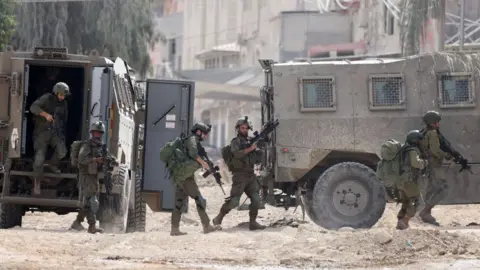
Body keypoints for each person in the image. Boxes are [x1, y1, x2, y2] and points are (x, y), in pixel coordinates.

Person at [213, 117, 266, 231]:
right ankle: (218, 218)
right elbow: (237, 154)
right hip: (240, 176)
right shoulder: (235, 142)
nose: (244, 130)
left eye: (246, 128)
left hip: (250, 175)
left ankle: (253, 222)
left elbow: (258, 158)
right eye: (242, 128)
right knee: (234, 201)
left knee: (256, 199)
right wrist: (251, 148)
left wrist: (258, 149)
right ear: (238, 129)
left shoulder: (250, 141)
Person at [170, 122, 221, 236]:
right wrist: (203, 163)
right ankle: (206, 226)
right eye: (205, 134)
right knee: (199, 199)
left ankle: (174, 229)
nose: (206, 136)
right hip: (186, 177)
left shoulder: (191, 140)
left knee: (179, 202)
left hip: (181, 175)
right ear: (199, 132)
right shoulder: (192, 139)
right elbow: (193, 153)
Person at [29, 82, 69, 194]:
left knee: (62, 151)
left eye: (64, 95)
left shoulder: (64, 104)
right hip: (41, 133)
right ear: (56, 93)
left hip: (54, 133)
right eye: (60, 95)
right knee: (39, 158)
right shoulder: (46, 98)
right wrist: (45, 114)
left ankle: (52, 164)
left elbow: (64, 120)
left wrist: (61, 134)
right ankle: (37, 182)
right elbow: (33, 107)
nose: (62, 97)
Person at [70, 121, 107, 234]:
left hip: (93, 176)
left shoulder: (100, 146)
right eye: (96, 133)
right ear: (92, 133)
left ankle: (77, 222)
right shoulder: (87, 145)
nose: (97, 135)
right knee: (90, 201)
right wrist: (95, 160)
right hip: (86, 176)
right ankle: (92, 226)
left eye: (99, 133)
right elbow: (81, 160)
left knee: (88, 201)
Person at [419, 110, 453, 226]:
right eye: (437, 122)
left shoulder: (424, 132)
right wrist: (447, 155)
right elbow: (435, 150)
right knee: (443, 189)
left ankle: (425, 214)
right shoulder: (432, 133)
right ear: (432, 123)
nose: (439, 124)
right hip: (434, 165)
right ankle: (424, 212)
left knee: (431, 189)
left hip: (428, 164)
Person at [395, 130, 428, 230]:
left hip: (401, 181)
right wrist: (424, 162)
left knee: (406, 202)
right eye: (419, 140)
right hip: (408, 181)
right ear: (415, 140)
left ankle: (400, 222)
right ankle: (404, 220)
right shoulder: (412, 150)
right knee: (419, 203)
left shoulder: (404, 149)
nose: (421, 142)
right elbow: (415, 163)